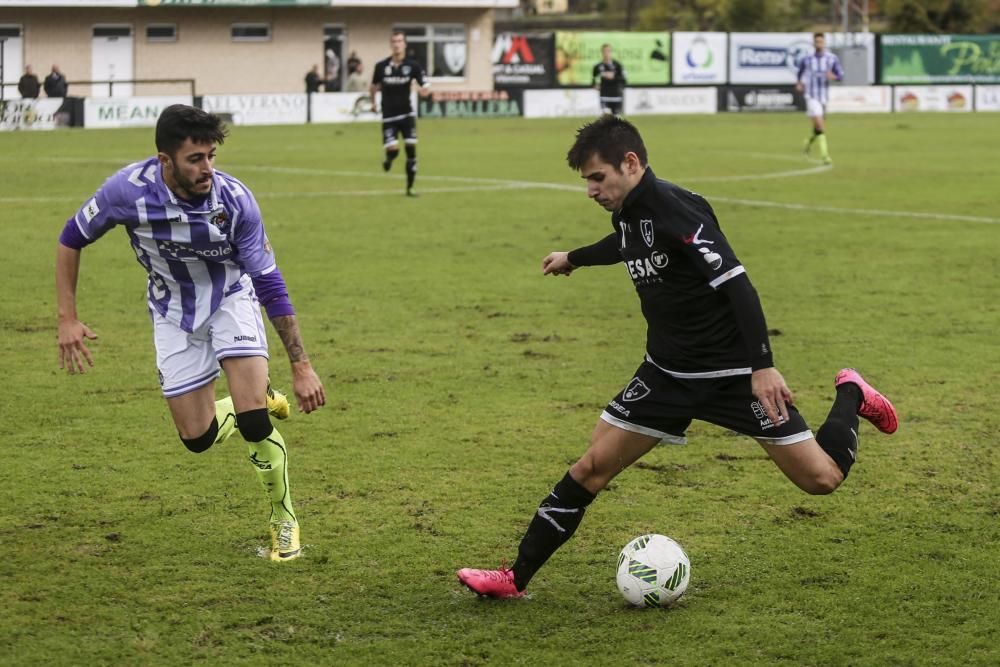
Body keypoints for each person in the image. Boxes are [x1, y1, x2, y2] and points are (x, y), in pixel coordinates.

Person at [456, 116, 898, 599]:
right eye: (586, 180)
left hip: (732, 376)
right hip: (666, 376)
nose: (590, 190)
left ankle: (852, 392)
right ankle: (513, 578)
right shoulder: (627, 214)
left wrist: (762, 366)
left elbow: (738, 286)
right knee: (590, 468)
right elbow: (626, 245)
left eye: (597, 177)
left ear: (630, 163)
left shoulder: (677, 208)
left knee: (821, 479)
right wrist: (574, 257)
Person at [56, 104, 326, 562]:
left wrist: (302, 364)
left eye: (211, 156)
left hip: (230, 299)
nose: (207, 169)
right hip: (171, 311)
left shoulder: (235, 200)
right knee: (196, 438)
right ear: (165, 160)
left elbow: (270, 285)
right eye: (195, 159)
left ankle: (284, 520)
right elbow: (71, 237)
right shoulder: (126, 192)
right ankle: (261, 396)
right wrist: (67, 317)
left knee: (254, 424)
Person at [370, 30, 431, 197]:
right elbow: (374, 86)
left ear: (404, 44)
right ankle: (389, 159)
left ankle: (410, 188)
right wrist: (373, 103)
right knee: (394, 149)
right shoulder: (381, 66)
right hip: (389, 116)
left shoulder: (413, 66)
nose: (397, 44)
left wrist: (424, 90)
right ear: (391, 45)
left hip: (407, 115)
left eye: (400, 41)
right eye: (394, 41)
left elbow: (425, 84)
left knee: (411, 150)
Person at [796, 33, 844, 165]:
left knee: (818, 128)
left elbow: (841, 76)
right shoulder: (807, 59)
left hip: (824, 96)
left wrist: (833, 76)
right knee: (820, 125)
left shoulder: (831, 58)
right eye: (816, 42)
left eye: (821, 42)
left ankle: (808, 143)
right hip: (811, 96)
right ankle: (825, 156)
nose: (819, 44)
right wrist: (799, 82)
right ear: (813, 43)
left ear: (824, 43)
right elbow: (799, 72)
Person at [592, 44, 626, 116]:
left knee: (616, 119)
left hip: (616, 95)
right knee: (605, 116)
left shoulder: (617, 65)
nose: (606, 53)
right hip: (604, 94)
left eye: (608, 51)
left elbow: (623, 79)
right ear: (602, 52)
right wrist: (595, 85)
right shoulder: (598, 66)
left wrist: (614, 77)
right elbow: (593, 78)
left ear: (611, 52)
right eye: (604, 51)